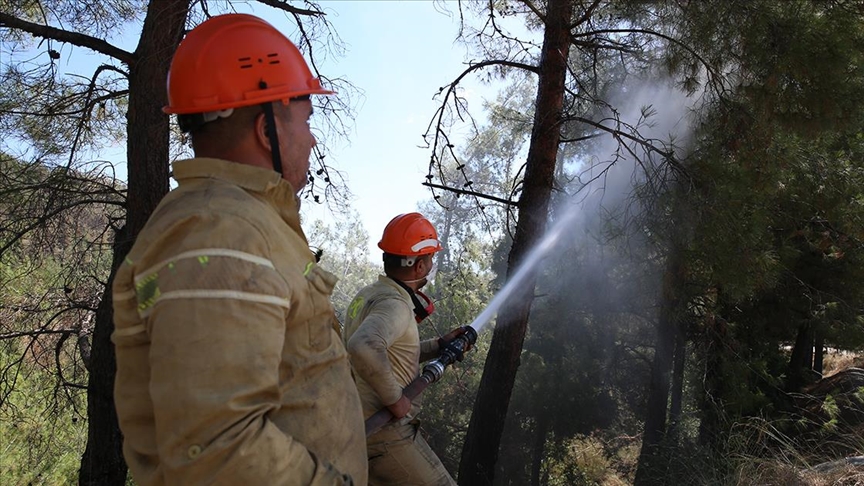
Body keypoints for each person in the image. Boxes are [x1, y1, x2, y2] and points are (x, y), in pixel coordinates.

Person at [111, 13, 367, 485]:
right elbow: (216, 449)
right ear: (267, 131)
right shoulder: (220, 232)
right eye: (306, 120)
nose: (311, 138)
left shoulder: (240, 222)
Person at [342, 212, 468, 486]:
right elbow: (363, 346)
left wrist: (437, 346)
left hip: (356, 425)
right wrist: (396, 401)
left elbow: (386, 352)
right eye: (431, 258)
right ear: (419, 267)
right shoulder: (395, 305)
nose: (432, 264)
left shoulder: (369, 294)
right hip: (385, 434)